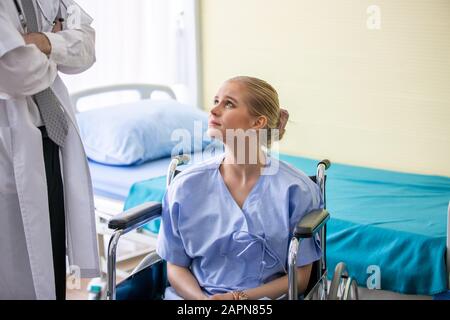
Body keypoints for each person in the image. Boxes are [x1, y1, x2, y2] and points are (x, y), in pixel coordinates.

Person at [157, 76, 323, 300]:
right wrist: (205, 303)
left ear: (258, 122)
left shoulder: (296, 190)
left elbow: (301, 279)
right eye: (216, 101)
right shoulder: (185, 186)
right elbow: (175, 267)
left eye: (228, 104)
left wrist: (239, 299)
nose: (213, 110)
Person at [0, 0, 99, 300]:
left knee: (51, 253)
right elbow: (15, 72)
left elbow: (86, 49)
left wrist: (40, 42)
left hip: (50, 138)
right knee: (16, 261)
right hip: (9, 145)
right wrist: (56, 49)